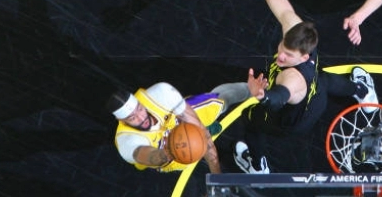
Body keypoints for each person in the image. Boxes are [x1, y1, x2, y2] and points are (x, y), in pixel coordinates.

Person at [209, 0, 379, 174]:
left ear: (303, 56)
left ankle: (257, 166)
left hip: (292, 122)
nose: (280, 56)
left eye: (288, 55)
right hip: (317, 97)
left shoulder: (291, 78)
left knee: (251, 118)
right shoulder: (298, 37)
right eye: (282, 48)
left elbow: (279, 97)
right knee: (323, 79)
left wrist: (262, 95)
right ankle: (362, 90)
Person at [107, 73, 267, 174]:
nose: (141, 117)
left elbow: (202, 133)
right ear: (122, 121)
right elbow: (151, 156)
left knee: (219, 102)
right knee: (186, 155)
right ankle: (189, 140)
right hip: (169, 154)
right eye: (132, 118)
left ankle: (249, 89)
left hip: (178, 121)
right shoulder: (127, 142)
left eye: (140, 110)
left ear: (140, 102)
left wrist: (216, 177)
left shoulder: (160, 93)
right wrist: (169, 151)